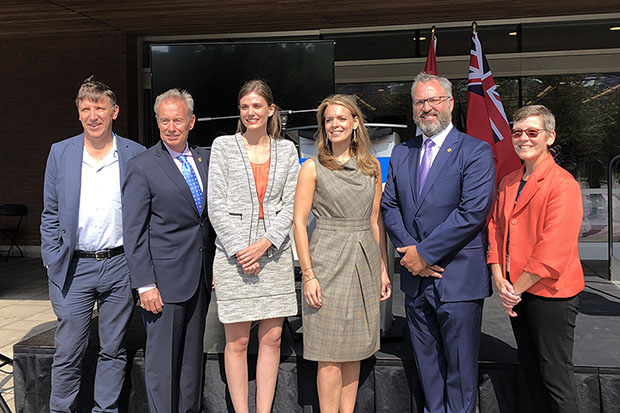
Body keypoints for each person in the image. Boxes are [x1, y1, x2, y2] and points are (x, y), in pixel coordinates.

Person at [381, 72, 495, 413]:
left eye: (433, 100)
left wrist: (425, 253)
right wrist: (410, 254)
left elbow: (472, 212)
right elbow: (390, 205)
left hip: (457, 279)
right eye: (420, 102)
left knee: (460, 370)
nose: (427, 108)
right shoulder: (402, 152)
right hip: (416, 279)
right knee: (427, 367)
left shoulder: (476, 151)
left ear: (449, 103)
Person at [40, 77, 145, 412]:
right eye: (86, 109)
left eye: (99, 108)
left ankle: (105, 410)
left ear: (113, 112)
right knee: (68, 350)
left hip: (118, 266)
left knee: (113, 350)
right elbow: (50, 213)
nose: (93, 115)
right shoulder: (60, 152)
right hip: (74, 267)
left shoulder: (134, 154)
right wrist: (51, 259)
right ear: (79, 113)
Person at [293, 94, 392, 413]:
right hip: (327, 259)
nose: (334, 124)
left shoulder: (373, 167)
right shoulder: (312, 167)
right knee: (329, 352)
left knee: (355, 350)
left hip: (363, 259)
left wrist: (382, 269)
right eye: (328, 120)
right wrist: (308, 275)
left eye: (341, 118)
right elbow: (298, 222)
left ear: (355, 123)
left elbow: (376, 220)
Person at [207, 80, 299, 413]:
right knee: (238, 341)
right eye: (245, 106)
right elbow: (214, 204)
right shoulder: (222, 146)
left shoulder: (287, 150)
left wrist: (263, 244)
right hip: (233, 260)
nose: (251, 112)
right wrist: (239, 250)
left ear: (271, 109)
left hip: (273, 258)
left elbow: (292, 205)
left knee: (271, 339)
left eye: (257, 106)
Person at [122, 89, 215, 412]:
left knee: (191, 363)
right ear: (157, 122)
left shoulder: (206, 160)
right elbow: (133, 231)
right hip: (163, 284)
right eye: (164, 121)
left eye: (178, 120)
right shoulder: (142, 166)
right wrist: (145, 284)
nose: (171, 127)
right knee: (163, 366)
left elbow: (207, 222)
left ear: (191, 121)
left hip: (200, 280)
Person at [487, 105, 584, 412]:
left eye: (532, 132)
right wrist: (498, 275)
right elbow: (495, 229)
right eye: (517, 132)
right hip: (516, 291)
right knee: (531, 372)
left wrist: (513, 289)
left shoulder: (563, 183)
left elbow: (552, 251)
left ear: (550, 137)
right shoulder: (509, 181)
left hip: (550, 294)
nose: (523, 139)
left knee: (555, 377)